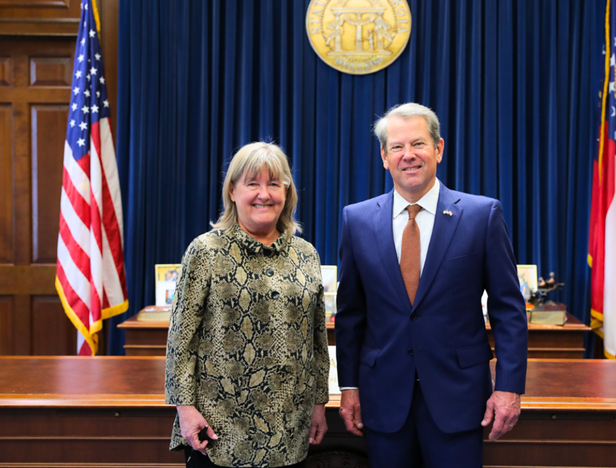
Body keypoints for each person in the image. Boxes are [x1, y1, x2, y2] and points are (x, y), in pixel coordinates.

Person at [335, 103, 528, 468]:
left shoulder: (481, 215)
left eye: (419, 144)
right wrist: (349, 387)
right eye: (397, 147)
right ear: (384, 156)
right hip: (383, 398)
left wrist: (509, 387)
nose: (408, 155)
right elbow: (350, 315)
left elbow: (508, 309)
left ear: (438, 148)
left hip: (459, 396)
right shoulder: (356, 220)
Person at [165, 142, 330, 468]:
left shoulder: (306, 254)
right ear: (232, 191)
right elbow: (180, 342)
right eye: (252, 183)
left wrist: (319, 403)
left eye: (274, 183)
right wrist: (184, 409)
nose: (264, 194)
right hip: (219, 433)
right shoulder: (205, 251)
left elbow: (317, 341)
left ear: (287, 191)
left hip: (289, 431)